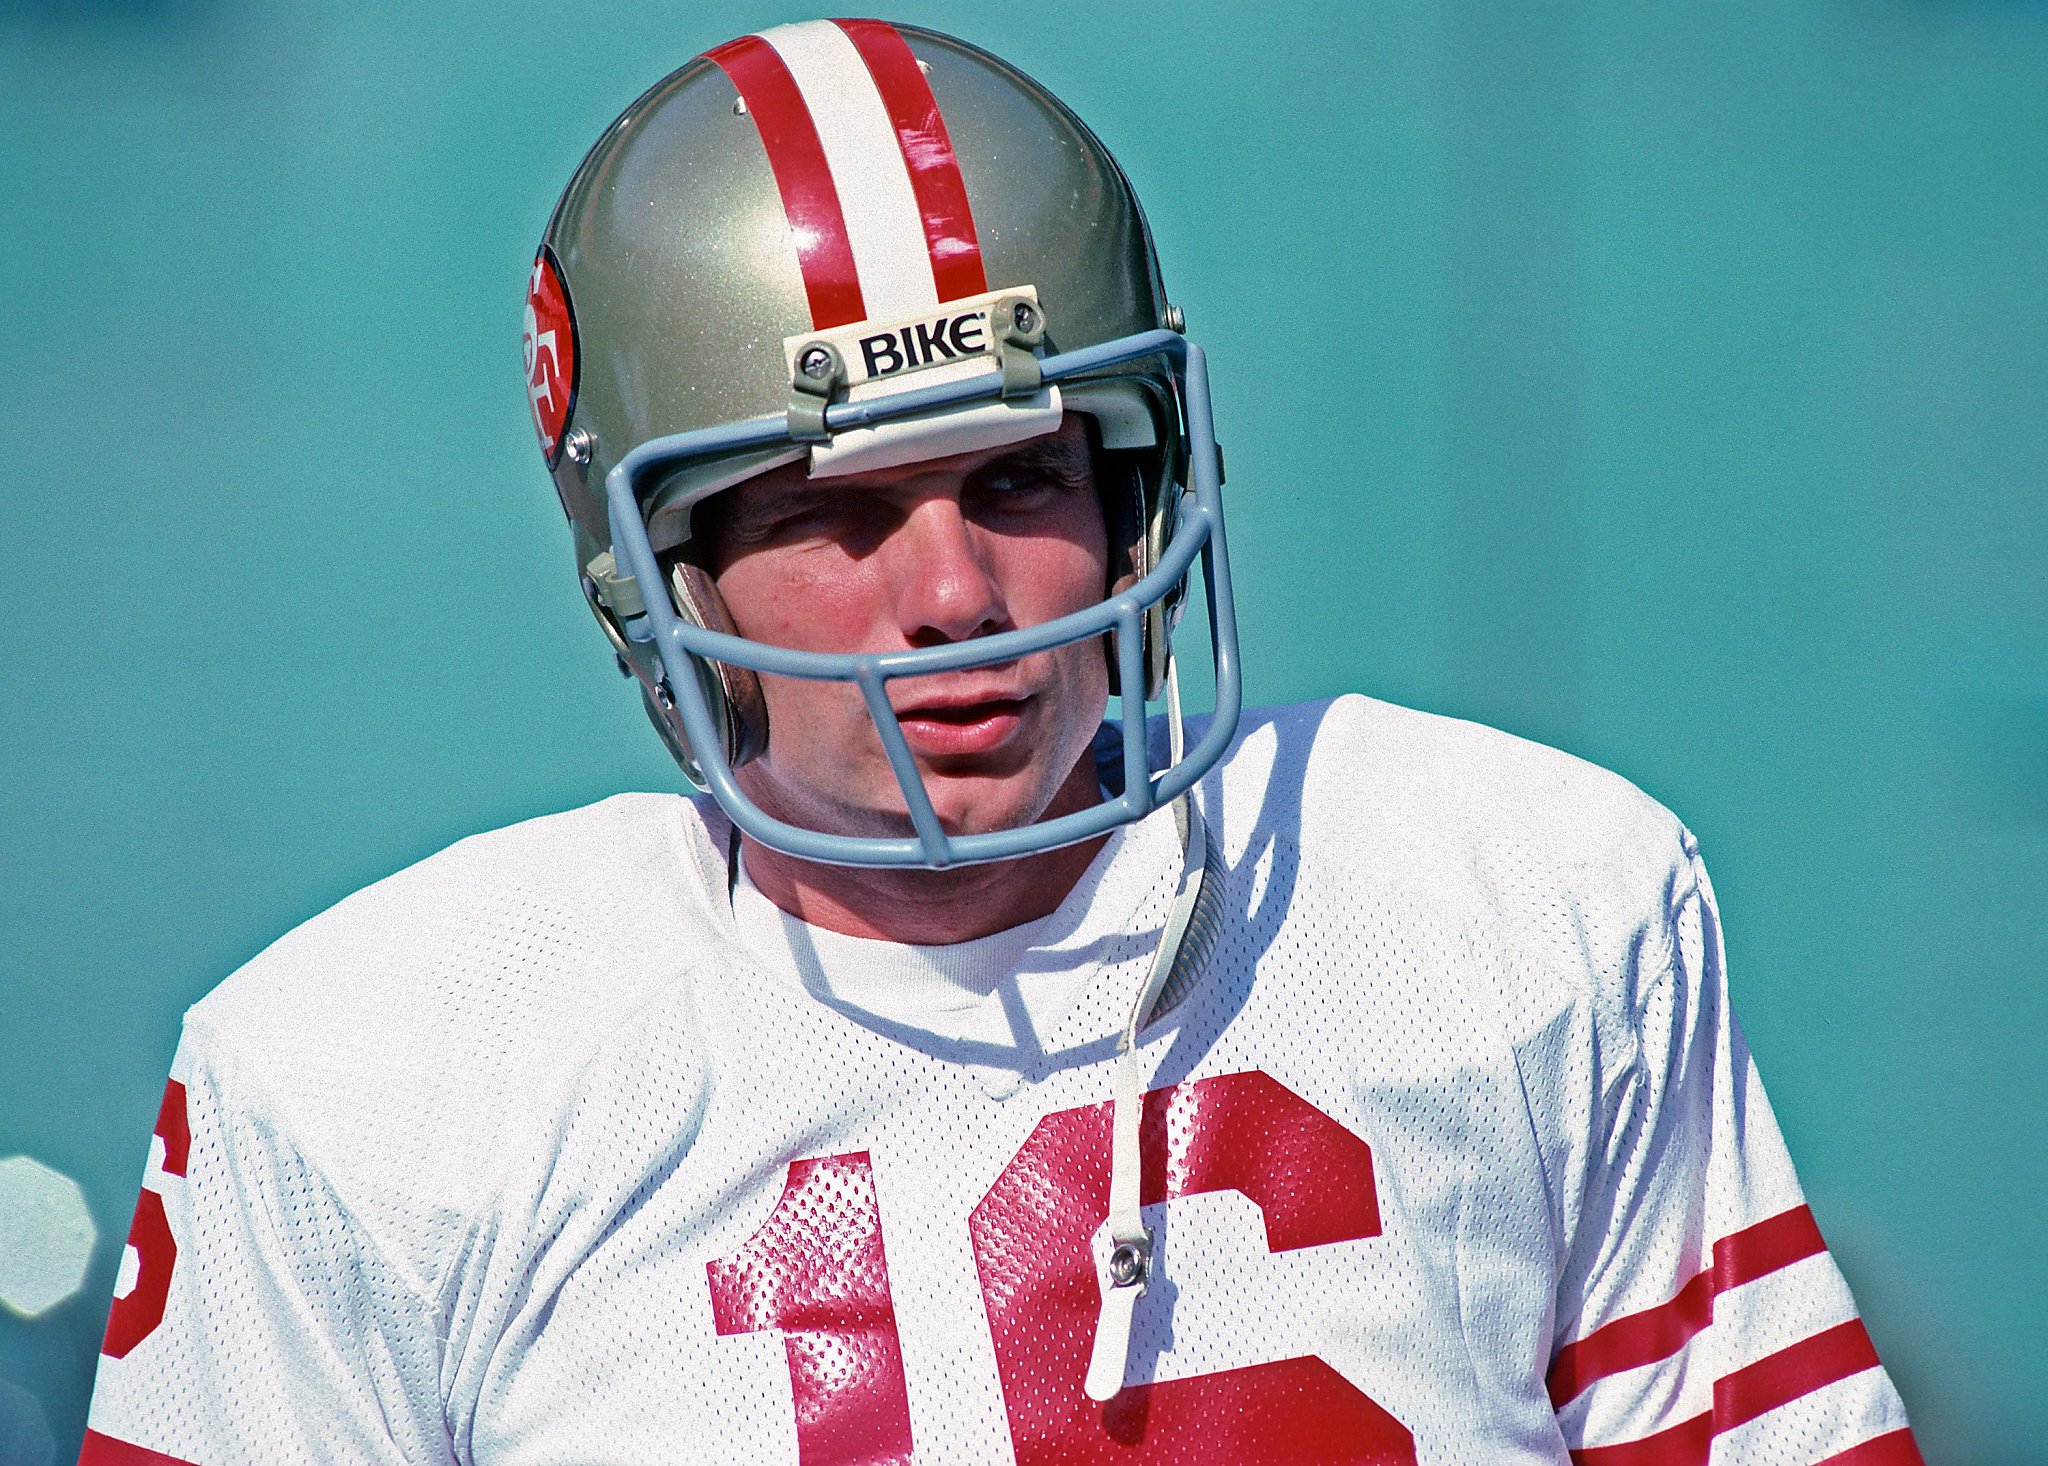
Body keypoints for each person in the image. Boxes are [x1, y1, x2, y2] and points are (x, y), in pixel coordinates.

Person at [80, 19, 1918, 1465]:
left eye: (1022, 475)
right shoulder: (380, 1082)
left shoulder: (1519, 903)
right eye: (841, 511)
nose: (956, 589)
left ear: (1137, 482)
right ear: (664, 572)